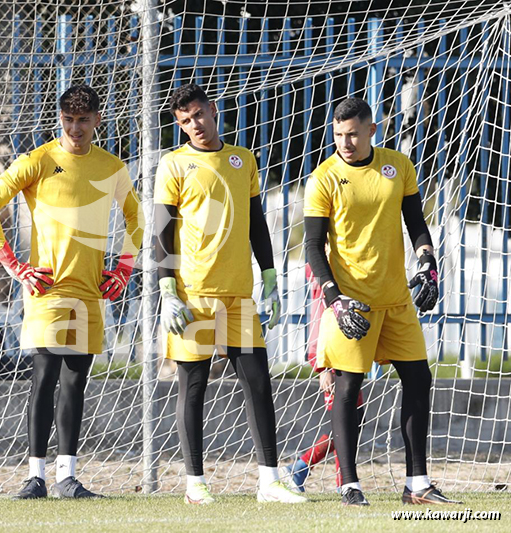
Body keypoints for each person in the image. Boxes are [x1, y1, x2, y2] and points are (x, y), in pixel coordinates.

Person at [0, 85, 144, 499]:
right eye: (69, 120)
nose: (76, 128)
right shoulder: (40, 160)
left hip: (89, 293)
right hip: (46, 291)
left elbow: (139, 220)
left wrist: (122, 270)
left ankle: (67, 477)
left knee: (75, 383)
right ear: (60, 119)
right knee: (44, 378)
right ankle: (35, 477)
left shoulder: (111, 166)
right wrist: (15, 267)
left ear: (97, 121)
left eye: (84, 120)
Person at [303, 97, 460, 506]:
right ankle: (350, 485)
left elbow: (417, 226)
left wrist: (428, 263)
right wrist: (334, 298)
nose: (345, 142)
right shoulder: (322, 178)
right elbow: (313, 248)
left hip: (396, 300)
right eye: (338, 135)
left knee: (418, 380)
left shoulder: (398, 167)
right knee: (348, 386)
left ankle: (417, 484)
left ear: (372, 130)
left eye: (353, 133)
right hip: (350, 302)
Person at [154, 83, 306, 505]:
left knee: (258, 382)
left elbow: (257, 222)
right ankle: (195, 485)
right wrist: (168, 289)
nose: (194, 125)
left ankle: (269, 482)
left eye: (198, 114)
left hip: (239, 294)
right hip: (193, 293)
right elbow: (162, 230)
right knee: (194, 384)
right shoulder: (173, 164)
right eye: (185, 121)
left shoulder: (243, 160)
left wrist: (271, 276)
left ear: (213, 109)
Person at [280, 265, 364, 493]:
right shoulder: (323, 280)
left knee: (354, 418)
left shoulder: (343, 273)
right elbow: (319, 320)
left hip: (349, 351)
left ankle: (302, 470)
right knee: (346, 418)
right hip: (331, 356)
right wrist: (322, 366)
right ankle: (313, 473)